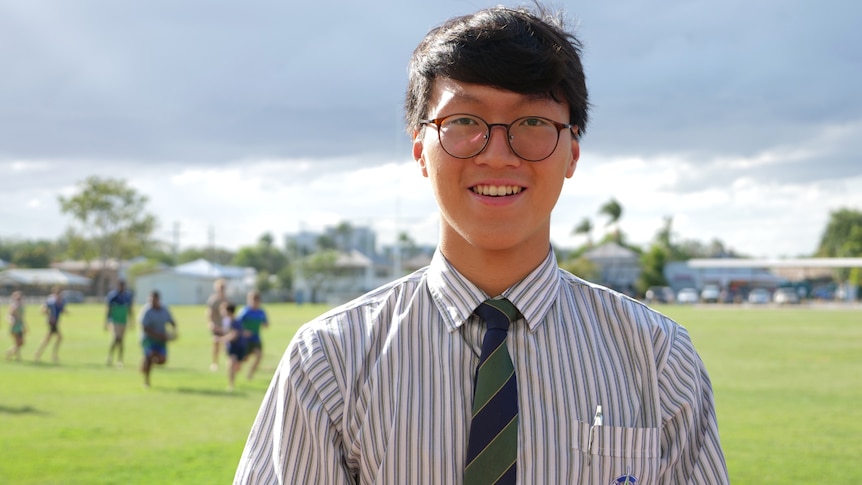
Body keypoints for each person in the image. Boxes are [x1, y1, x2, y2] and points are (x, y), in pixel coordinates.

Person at [234, 5, 729, 484]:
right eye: (464, 122)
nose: (497, 155)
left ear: (572, 151)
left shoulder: (658, 357)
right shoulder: (330, 361)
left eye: (533, 123)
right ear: (420, 150)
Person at [138, 290, 177, 388]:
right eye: (150, 299)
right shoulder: (146, 311)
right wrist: (160, 335)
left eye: (154, 299)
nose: (151, 301)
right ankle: (146, 381)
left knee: (162, 360)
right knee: (150, 356)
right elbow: (145, 329)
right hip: (148, 339)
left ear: (158, 299)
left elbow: (172, 321)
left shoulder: (164, 309)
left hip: (161, 340)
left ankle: (146, 362)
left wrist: (174, 332)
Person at [235, 291, 268, 381]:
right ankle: (235, 367)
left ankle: (250, 374)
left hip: (256, 339)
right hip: (245, 340)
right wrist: (244, 332)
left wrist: (264, 324)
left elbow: (265, 323)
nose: (254, 303)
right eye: (252, 300)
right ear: (249, 300)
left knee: (259, 355)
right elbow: (236, 325)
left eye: (257, 301)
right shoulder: (244, 312)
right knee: (244, 359)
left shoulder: (261, 312)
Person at [219, 301, 250, 391]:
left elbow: (234, 335)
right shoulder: (226, 321)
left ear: (228, 311)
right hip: (232, 347)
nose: (221, 312)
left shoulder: (236, 322)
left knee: (235, 365)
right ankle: (231, 385)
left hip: (239, 346)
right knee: (231, 364)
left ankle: (233, 380)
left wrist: (222, 339)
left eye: (223, 310)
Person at [34, 286, 69, 363]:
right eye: (57, 293)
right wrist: (49, 315)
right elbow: (43, 309)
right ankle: (52, 354)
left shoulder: (61, 301)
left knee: (49, 339)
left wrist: (66, 312)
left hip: (55, 322)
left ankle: (39, 353)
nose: (59, 295)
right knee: (58, 338)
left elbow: (61, 310)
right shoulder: (51, 301)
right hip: (52, 322)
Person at [105, 280, 134, 367]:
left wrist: (131, 320)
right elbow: (109, 309)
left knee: (121, 340)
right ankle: (110, 356)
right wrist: (106, 321)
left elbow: (130, 309)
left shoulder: (127, 296)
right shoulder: (113, 296)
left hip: (123, 321)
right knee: (116, 338)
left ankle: (120, 359)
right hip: (115, 321)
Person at [205, 278, 230, 371]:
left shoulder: (227, 300)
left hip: (225, 326)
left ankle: (229, 361)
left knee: (227, 343)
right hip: (216, 325)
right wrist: (211, 323)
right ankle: (215, 362)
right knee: (216, 343)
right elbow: (209, 312)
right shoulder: (213, 300)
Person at [5, 291, 27, 361]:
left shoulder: (21, 306)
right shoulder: (13, 306)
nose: (19, 299)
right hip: (15, 326)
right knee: (18, 342)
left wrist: (24, 326)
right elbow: (8, 315)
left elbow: (22, 317)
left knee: (20, 343)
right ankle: (17, 357)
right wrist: (11, 319)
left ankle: (9, 353)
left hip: (20, 325)